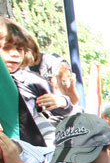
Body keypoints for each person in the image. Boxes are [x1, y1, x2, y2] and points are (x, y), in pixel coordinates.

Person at [1, 17, 71, 146]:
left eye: (19, 49)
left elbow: (58, 110)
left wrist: (62, 102)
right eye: (7, 48)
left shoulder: (31, 80)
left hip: (33, 141)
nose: (15, 54)